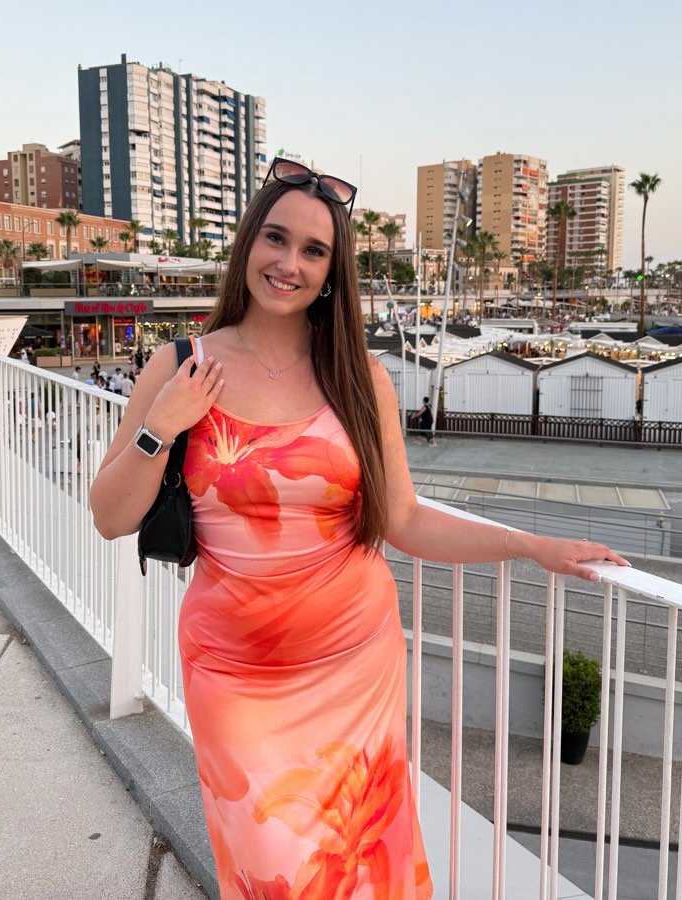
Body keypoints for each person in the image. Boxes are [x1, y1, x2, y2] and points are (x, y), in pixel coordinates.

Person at [89, 158, 628, 895]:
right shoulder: (181, 366)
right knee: (276, 871)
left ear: (331, 272)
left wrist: (529, 545)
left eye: (313, 251)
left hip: (356, 666)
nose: (289, 264)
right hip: (236, 678)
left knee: (362, 867)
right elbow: (110, 517)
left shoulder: (358, 376)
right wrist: (162, 427)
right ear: (249, 243)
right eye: (276, 238)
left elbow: (402, 517)